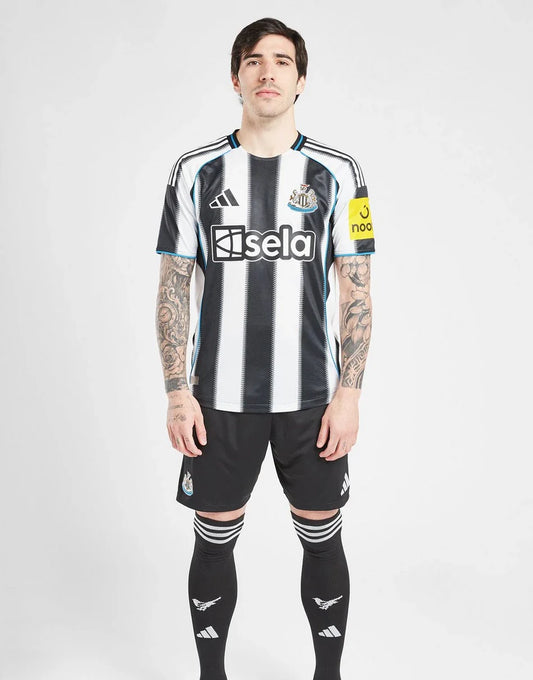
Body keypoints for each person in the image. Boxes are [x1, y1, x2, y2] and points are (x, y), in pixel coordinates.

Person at [155, 17, 375, 680]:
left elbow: (356, 288)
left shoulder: (341, 173)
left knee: (322, 534)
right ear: (236, 77)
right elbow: (172, 287)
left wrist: (349, 395)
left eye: (282, 61)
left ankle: (328, 675)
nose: (268, 72)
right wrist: (177, 393)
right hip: (219, 400)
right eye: (253, 60)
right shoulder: (193, 171)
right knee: (214, 537)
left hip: (312, 399)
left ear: (300, 80)